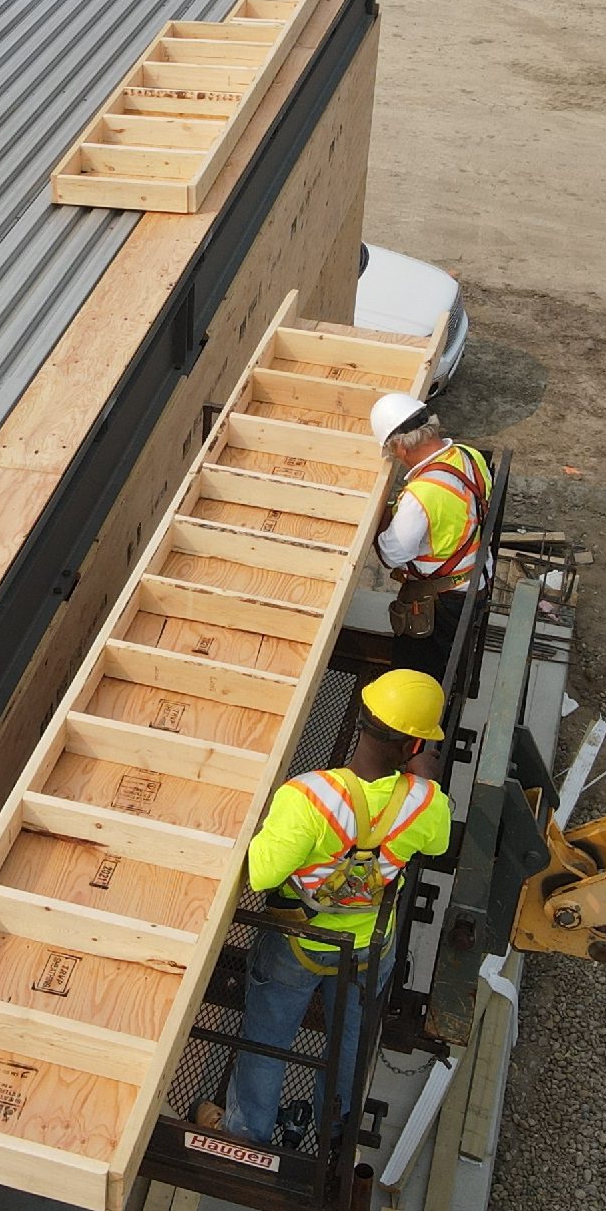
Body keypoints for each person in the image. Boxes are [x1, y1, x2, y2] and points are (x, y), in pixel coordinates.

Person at [196, 670, 452, 1147]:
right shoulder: (428, 803)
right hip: (368, 950)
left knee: (266, 1039)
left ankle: (245, 1131)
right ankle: (335, 1126)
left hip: (297, 944)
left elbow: (262, 875)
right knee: (350, 1041)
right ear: (415, 747)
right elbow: (437, 847)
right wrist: (424, 784)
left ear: (361, 717)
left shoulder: (307, 796)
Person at [368, 393, 492, 685]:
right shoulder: (467, 454)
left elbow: (390, 555)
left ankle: (417, 719)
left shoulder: (422, 494)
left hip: (445, 604)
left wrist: (379, 513)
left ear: (399, 445)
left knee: (415, 675)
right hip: (476, 579)